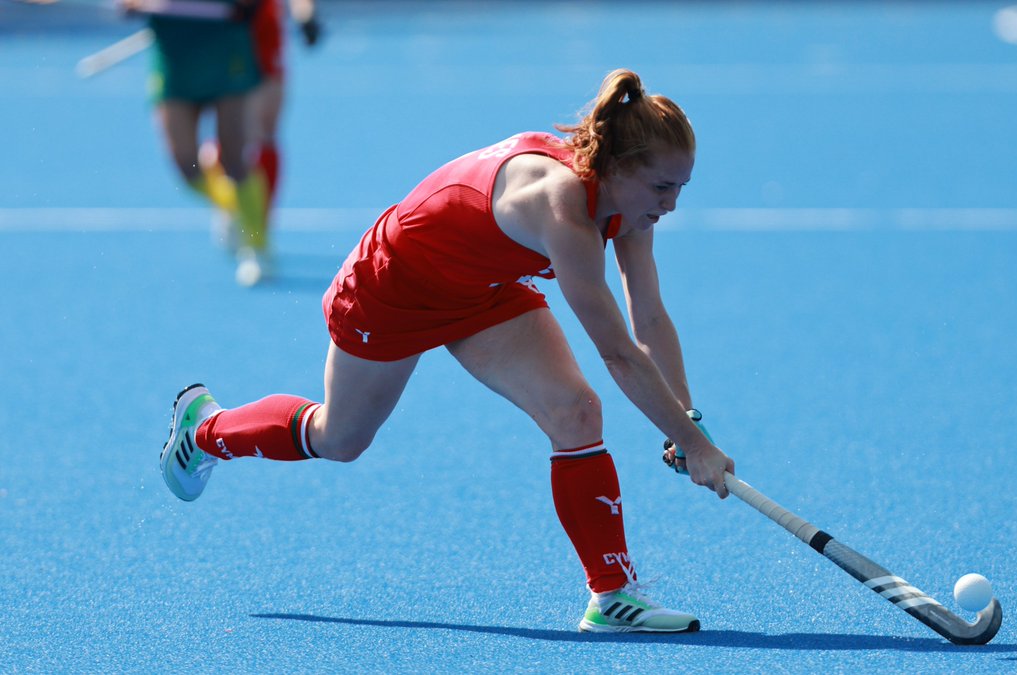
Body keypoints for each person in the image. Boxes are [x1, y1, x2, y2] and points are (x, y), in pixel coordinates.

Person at [160, 69, 736, 633]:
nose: (672, 205)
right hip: (393, 287)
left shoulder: (630, 202)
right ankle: (206, 430)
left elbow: (650, 317)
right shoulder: (562, 207)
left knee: (576, 411)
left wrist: (687, 423)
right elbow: (618, 352)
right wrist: (691, 446)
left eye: (681, 187)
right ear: (618, 167)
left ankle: (611, 596)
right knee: (340, 439)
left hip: (479, 290)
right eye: (663, 188)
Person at [122, 0, 271, 286]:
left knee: (234, 160)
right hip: (174, 50)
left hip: (225, 46)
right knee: (187, 166)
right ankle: (233, 207)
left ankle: (256, 247)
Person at [201, 0, 321, 262]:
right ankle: (231, 204)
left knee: (264, 131)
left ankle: (258, 233)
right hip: (219, 31)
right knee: (229, 134)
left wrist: (305, 16)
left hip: (262, 34)